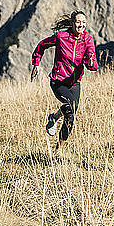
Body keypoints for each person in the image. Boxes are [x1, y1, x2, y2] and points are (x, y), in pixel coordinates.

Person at [30, 10, 98, 155]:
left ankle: (58, 148)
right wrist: (36, 63)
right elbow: (42, 45)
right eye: (78, 22)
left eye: (84, 22)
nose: (81, 25)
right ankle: (54, 118)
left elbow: (92, 64)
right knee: (71, 106)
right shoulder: (61, 37)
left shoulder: (88, 40)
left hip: (74, 83)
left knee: (71, 115)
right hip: (58, 80)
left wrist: (90, 61)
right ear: (72, 23)